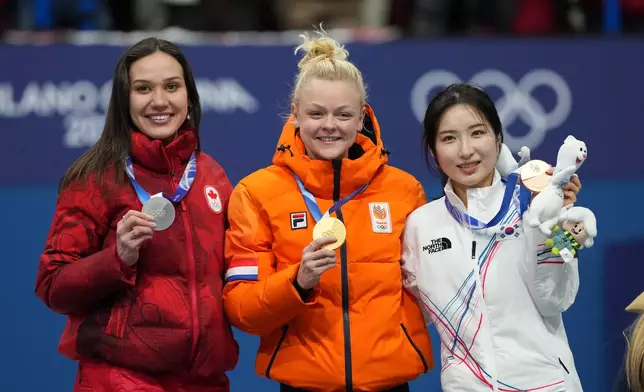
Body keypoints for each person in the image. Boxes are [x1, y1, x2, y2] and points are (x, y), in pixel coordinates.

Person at [222, 30, 432, 392]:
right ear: (295, 115)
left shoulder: (405, 191)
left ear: (362, 116)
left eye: (343, 114)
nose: (330, 126)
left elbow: (430, 287)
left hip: (389, 383)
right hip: (303, 384)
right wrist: (297, 281)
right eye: (316, 113)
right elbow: (241, 310)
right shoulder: (256, 193)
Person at [35, 37, 238, 392]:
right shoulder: (95, 178)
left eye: (171, 87)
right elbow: (52, 286)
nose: (159, 101)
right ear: (124, 98)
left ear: (188, 96)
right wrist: (119, 258)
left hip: (203, 381)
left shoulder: (211, 176)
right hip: (121, 378)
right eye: (143, 88)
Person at [402, 83, 583, 392]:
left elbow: (557, 299)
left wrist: (563, 236)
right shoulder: (421, 225)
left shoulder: (533, 203)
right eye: (449, 138)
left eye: (477, 133)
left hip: (547, 384)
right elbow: (406, 313)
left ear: (498, 139)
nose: (465, 150)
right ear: (433, 150)